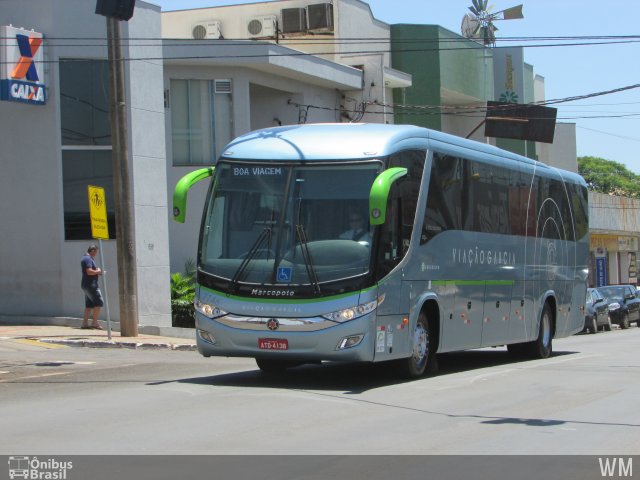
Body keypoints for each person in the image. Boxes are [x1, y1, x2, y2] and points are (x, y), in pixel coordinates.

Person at [81, 244, 104, 330]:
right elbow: (89, 272)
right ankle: (94, 323)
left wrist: (97, 272)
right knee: (98, 303)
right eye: (96, 252)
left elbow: (89, 272)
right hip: (91, 285)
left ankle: (85, 323)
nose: (96, 254)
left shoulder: (85, 258)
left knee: (89, 305)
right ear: (93, 251)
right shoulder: (88, 259)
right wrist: (98, 271)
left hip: (86, 284)